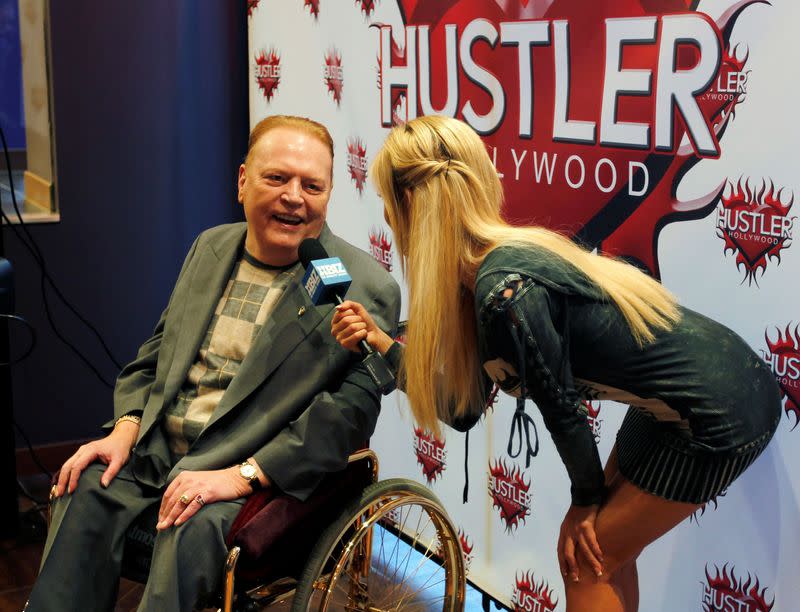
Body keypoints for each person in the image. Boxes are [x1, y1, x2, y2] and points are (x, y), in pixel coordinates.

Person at [330, 115, 781, 612]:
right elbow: (463, 411)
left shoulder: (501, 290)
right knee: (602, 554)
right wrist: (384, 344)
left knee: (586, 559)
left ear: (410, 203)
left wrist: (585, 498)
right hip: (676, 401)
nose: (389, 221)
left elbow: (562, 407)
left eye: (388, 204)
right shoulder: (485, 273)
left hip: (723, 407)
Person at [26, 115, 401, 611]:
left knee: (188, 525)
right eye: (277, 178)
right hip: (156, 449)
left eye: (312, 185)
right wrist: (125, 427)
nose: (295, 197)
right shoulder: (211, 247)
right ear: (243, 181)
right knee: (82, 488)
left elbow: (344, 418)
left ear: (329, 194)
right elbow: (156, 355)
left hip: (248, 474)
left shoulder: (363, 285)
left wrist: (241, 476)